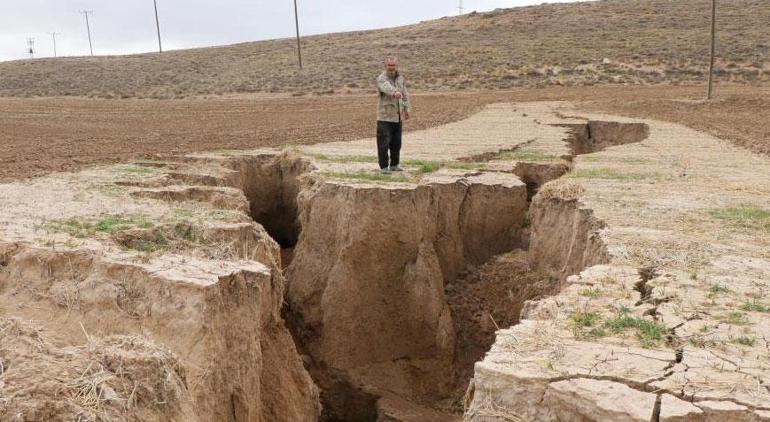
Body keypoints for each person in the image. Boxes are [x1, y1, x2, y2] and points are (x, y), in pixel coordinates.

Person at [376, 57, 411, 173]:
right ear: (385, 66)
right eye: (389, 65)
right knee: (383, 143)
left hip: (398, 117)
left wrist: (406, 109)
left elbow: (405, 94)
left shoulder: (400, 78)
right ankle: (384, 167)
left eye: (393, 65)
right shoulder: (382, 78)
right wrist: (394, 92)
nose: (391, 67)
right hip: (385, 117)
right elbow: (386, 87)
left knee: (397, 143)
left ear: (397, 66)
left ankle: (395, 165)